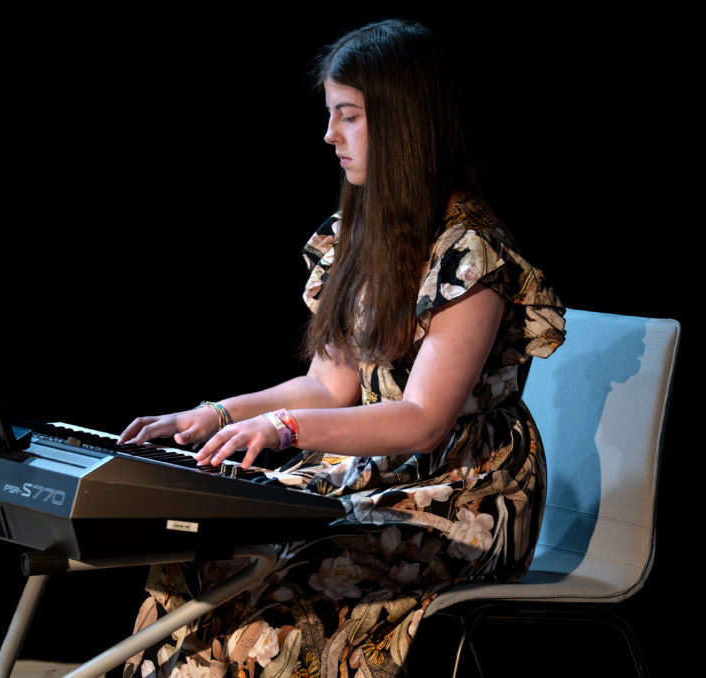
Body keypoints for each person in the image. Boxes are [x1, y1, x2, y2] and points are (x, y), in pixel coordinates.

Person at [118, 18, 565, 678]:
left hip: (461, 495)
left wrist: (284, 429)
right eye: (332, 115)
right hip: (377, 475)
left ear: (404, 123)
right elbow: (329, 386)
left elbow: (424, 420)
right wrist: (216, 415)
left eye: (349, 116)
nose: (330, 135)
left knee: (275, 599)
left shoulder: (470, 254)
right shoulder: (360, 234)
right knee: (196, 558)